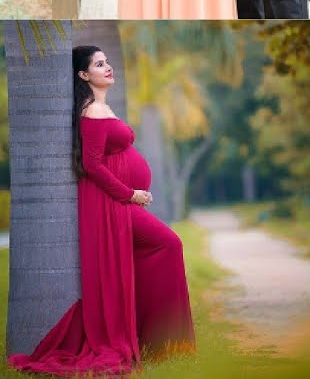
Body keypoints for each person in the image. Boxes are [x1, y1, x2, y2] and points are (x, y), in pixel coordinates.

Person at [9, 46, 195, 375]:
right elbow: (91, 165)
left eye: (107, 62)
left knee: (155, 251)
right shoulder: (92, 111)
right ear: (83, 75)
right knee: (169, 244)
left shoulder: (100, 106)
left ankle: (155, 338)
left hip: (117, 202)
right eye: (98, 64)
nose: (107, 67)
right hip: (110, 205)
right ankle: (162, 338)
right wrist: (130, 194)